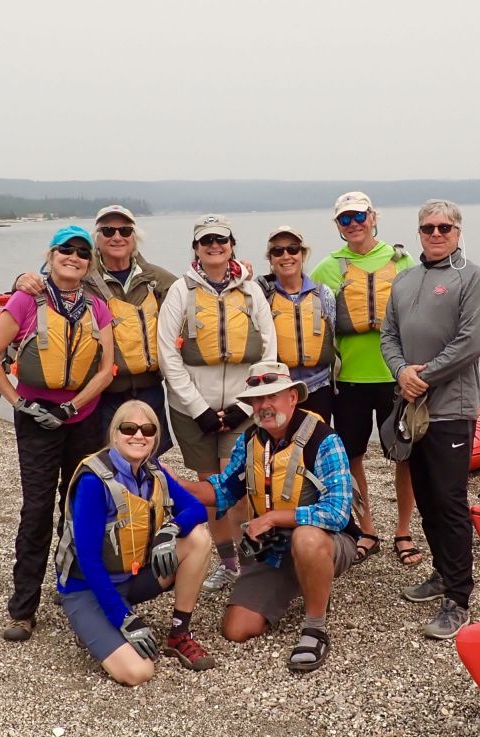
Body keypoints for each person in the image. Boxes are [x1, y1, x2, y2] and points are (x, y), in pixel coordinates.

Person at [0, 225, 115, 642]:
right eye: (65, 251)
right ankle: (22, 610)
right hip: (36, 419)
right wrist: (19, 402)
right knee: (36, 511)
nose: (73, 258)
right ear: (51, 256)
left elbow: (107, 368)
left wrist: (74, 405)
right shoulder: (26, 300)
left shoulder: (97, 307)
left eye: (81, 253)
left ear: (89, 262)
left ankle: (69, 585)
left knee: (77, 507)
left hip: (83, 417)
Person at [179, 361, 358, 672]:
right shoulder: (250, 440)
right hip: (273, 549)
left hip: (326, 542)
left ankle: (315, 627)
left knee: (307, 537)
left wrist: (275, 518)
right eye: (256, 400)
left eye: (271, 396)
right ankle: (305, 581)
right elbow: (223, 490)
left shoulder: (324, 439)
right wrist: (175, 486)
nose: (263, 406)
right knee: (235, 630)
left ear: (292, 396)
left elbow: (338, 512)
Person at [380, 199, 480, 639]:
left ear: (458, 231)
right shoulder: (406, 279)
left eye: (444, 227)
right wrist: (401, 372)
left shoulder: (474, 279)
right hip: (412, 406)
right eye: (427, 227)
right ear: (418, 232)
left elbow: (471, 343)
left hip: (451, 410)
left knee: (448, 502)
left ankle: (459, 597)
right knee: (426, 499)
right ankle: (442, 575)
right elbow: (388, 335)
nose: (435, 233)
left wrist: (423, 376)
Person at [54, 400, 216, 685]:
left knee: (198, 537)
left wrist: (171, 529)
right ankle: (93, 622)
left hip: (133, 577)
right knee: (139, 672)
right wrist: (123, 619)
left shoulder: (154, 471)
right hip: (87, 589)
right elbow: (89, 561)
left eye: (148, 429)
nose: (138, 435)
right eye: (129, 428)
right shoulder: (94, 481)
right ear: (114, 434)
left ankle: (179, 635)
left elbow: (197, 509)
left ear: (155, 438)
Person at [156, 214, 277, 593]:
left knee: (237, 487)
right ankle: (228, 564)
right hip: (193, 410)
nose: (214, 246)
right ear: (196, 248)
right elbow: (167, 353)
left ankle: (250, 555)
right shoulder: (181, 291)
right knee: (210, 488)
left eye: (220, 240)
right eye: (206, 240)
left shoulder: (251, 290)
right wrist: (199, 409)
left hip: (242, 407)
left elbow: (269, 347)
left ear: (231, 245)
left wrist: (246, 404)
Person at [310, 192, 420, 567]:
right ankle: (368, 528)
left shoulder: (402, 261)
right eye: (344, 219)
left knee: (403, 455)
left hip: (395, 377)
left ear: (373, 216)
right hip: (350, 382)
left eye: (359, 216)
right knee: (352, 456)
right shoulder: (327, 268)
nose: (353, 224)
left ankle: (404, 531)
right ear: (337, 226)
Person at [14, 205, 177, 453]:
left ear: (135, 238)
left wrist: (237, 269)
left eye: (125, 230)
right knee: (105, 459)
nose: (117, 237)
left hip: (150, 389)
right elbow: (48, 282)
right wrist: (19, 280)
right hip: (103, 392)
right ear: (96, 240)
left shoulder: (158, 278)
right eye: (108, 231)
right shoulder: (82, 276)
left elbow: (193, 295)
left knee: (151, 458)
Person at [255, 226, 335, 422]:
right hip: (277, 388)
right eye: (277, 251)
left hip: (319, 388)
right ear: (270, 259)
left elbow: (334, 333)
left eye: (292, 249)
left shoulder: (324, 295)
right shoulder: (260, 296)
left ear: (302, 254)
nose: (286, 256)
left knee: (314, 445)